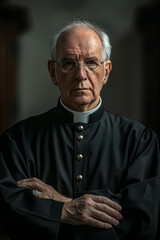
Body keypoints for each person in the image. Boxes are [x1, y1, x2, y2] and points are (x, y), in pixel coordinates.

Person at [0, 20, 159, 240]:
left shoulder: (139, 140)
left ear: (106, 71)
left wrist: (60, 203)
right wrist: (67, 211)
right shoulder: (18, 139)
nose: (81, 75)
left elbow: (141, 223)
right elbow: (8, 213)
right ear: (53, 72)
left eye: (92, 62)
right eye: (68, 63)